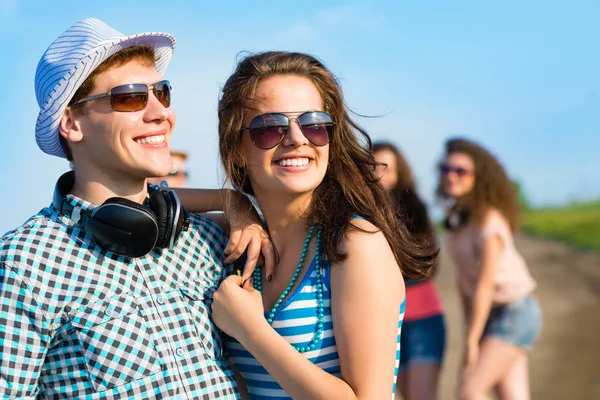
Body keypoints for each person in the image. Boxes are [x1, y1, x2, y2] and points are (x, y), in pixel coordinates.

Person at [0, 18, 272, 399]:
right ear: (71, 124)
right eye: (130, 97)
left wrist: (235, 202)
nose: (160, 112)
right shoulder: (22, 264)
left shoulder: (212, 240)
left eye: (161, 92)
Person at [205, 51, 437, 399]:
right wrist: (230, 201)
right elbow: (140, 200)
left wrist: (250, 329)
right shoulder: (237, 239)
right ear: (236, 148)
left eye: (314, 124)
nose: (298, 138)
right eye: (270, 127)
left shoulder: (355, 243)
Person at [437, 138, 542, 400]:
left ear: (478, 178)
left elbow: (485, 283)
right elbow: (464, 282)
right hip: (491, 315)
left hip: (516, 311)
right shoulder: (455, 222)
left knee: (469, 390)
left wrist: (472, 341)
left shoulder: (489, 221)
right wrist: (468, 332)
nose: (452, 176)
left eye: (461, 171)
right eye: (446, 169)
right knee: (513, 396)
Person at [373, 142, 445, 400]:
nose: (380, 174)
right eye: (374, 167)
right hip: (388, 323)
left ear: (399, 171)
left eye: (387, 168)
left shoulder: (414, 207)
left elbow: (427, 263)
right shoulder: (361, 212)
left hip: (424, 317)